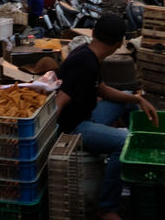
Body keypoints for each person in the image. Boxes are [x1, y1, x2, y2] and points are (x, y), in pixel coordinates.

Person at [56, 14, 158, 220]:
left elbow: (100, 89)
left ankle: (135, 163)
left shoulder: (88, 53)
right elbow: (60, 98)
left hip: (87, 116)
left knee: (128, 97)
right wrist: (45, 139)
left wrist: (138, 100)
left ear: (93, 33)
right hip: (73, 129)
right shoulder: (85, 62)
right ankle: (107, 207)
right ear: (119, 43)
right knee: (124, 141)